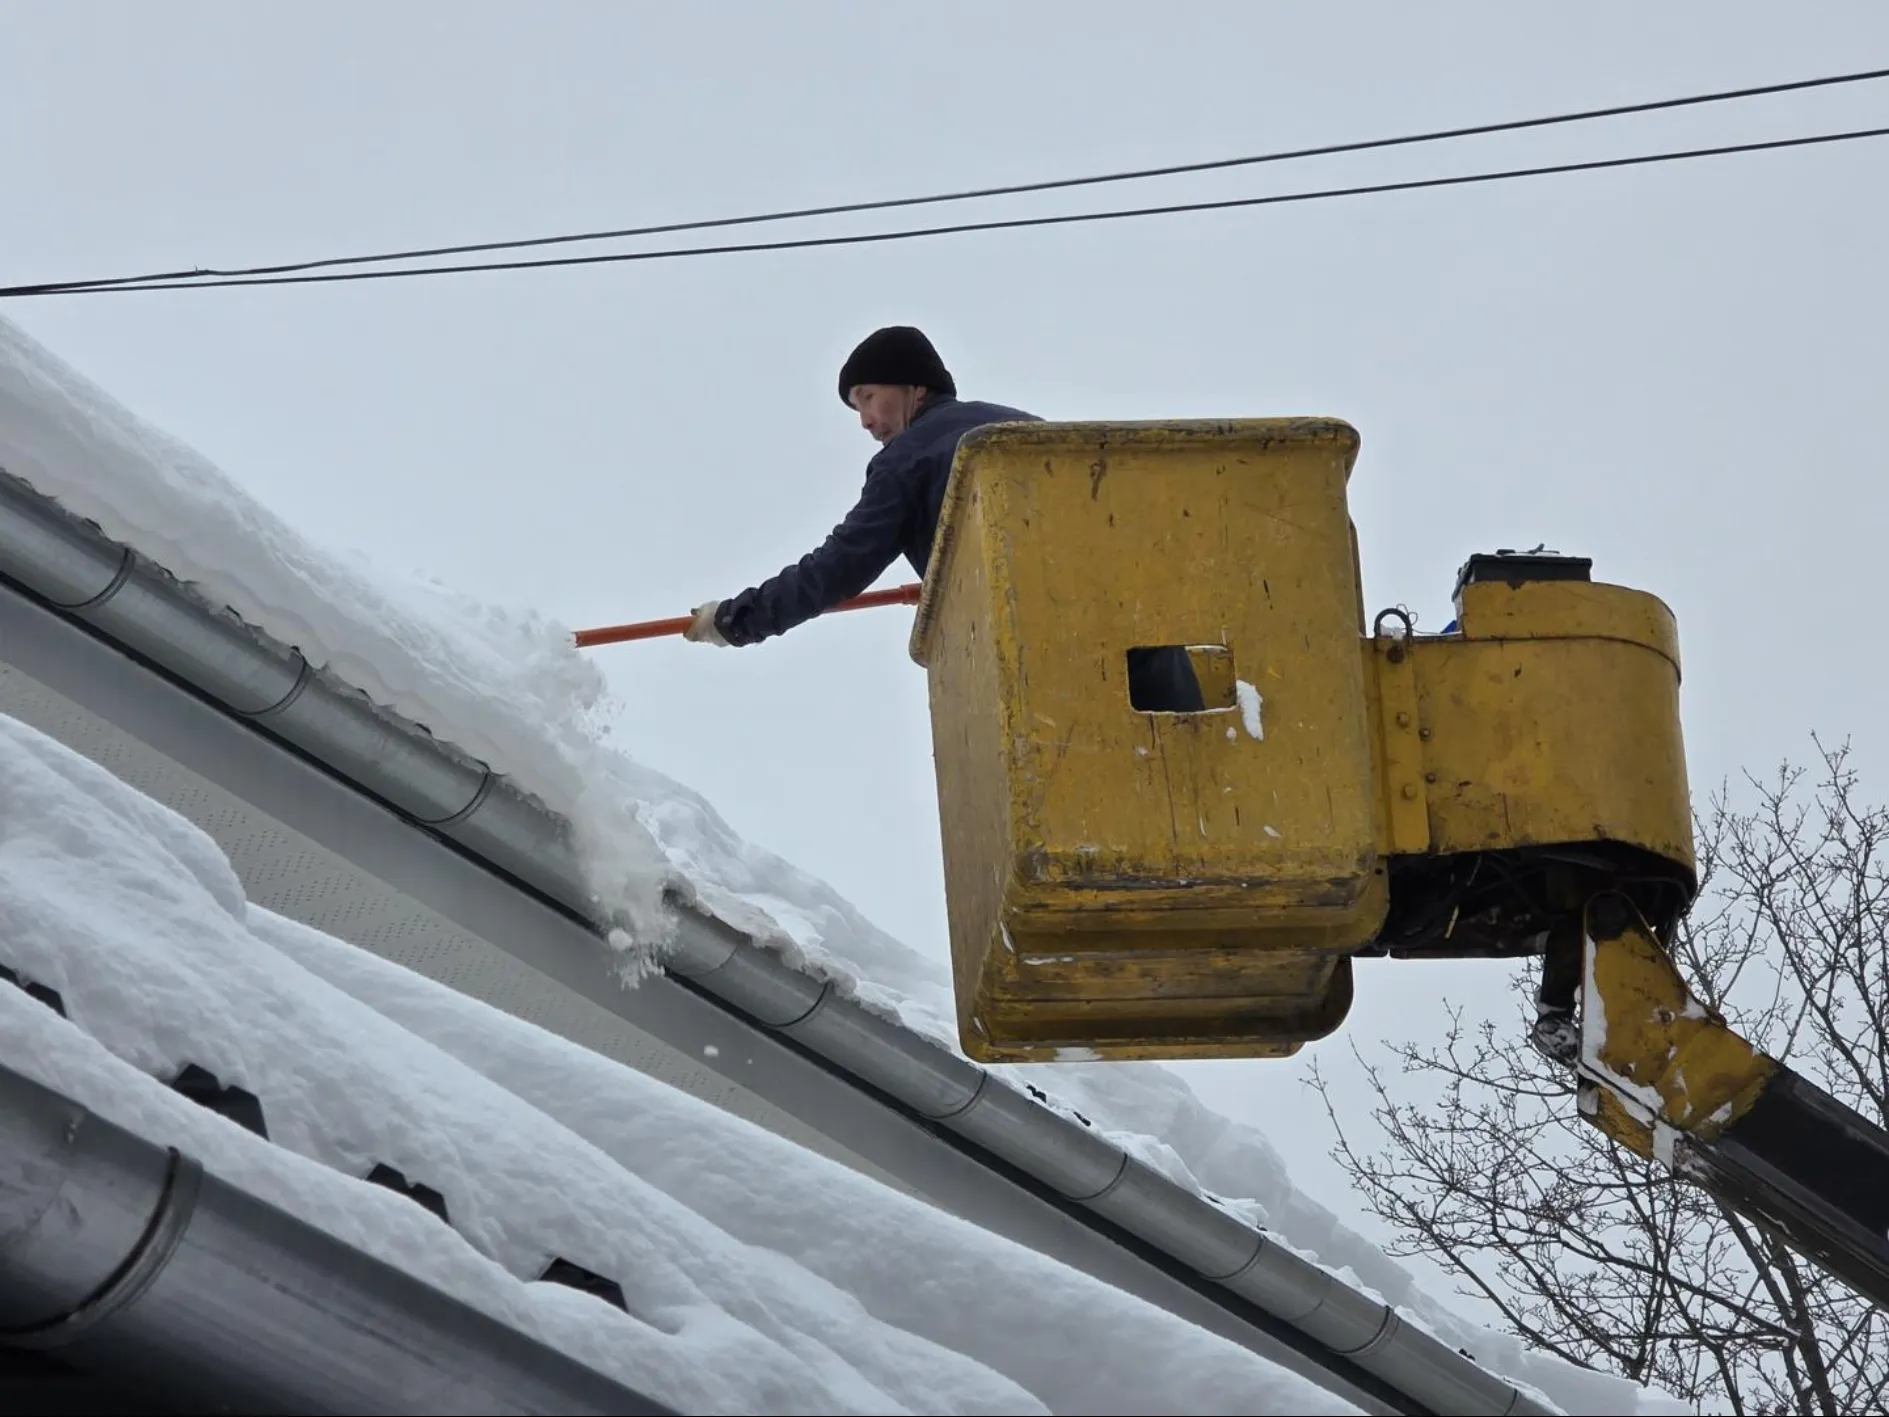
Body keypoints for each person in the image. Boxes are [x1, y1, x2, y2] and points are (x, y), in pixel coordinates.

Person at [684, 325, 1203, 711]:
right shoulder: (1024, 428)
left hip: (1049, 662)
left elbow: (837, 568)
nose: (865, 420)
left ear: (914, 386)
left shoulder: (907, 459)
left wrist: (735, 620)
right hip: (1146, 635)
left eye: (867, 397)